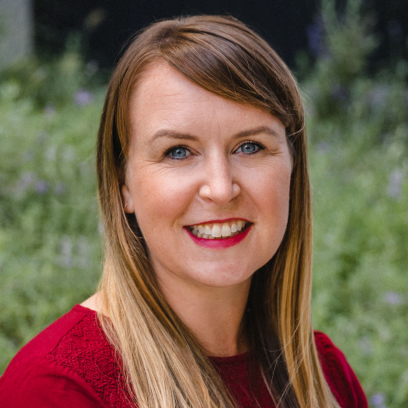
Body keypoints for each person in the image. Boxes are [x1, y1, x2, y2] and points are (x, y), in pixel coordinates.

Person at [0, 15, 368, 408]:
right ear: (124, 185)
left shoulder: (322, 374)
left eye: (250, 146)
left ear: (293, 167)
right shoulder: (56, 388)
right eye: (178, 152)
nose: (221, 188)